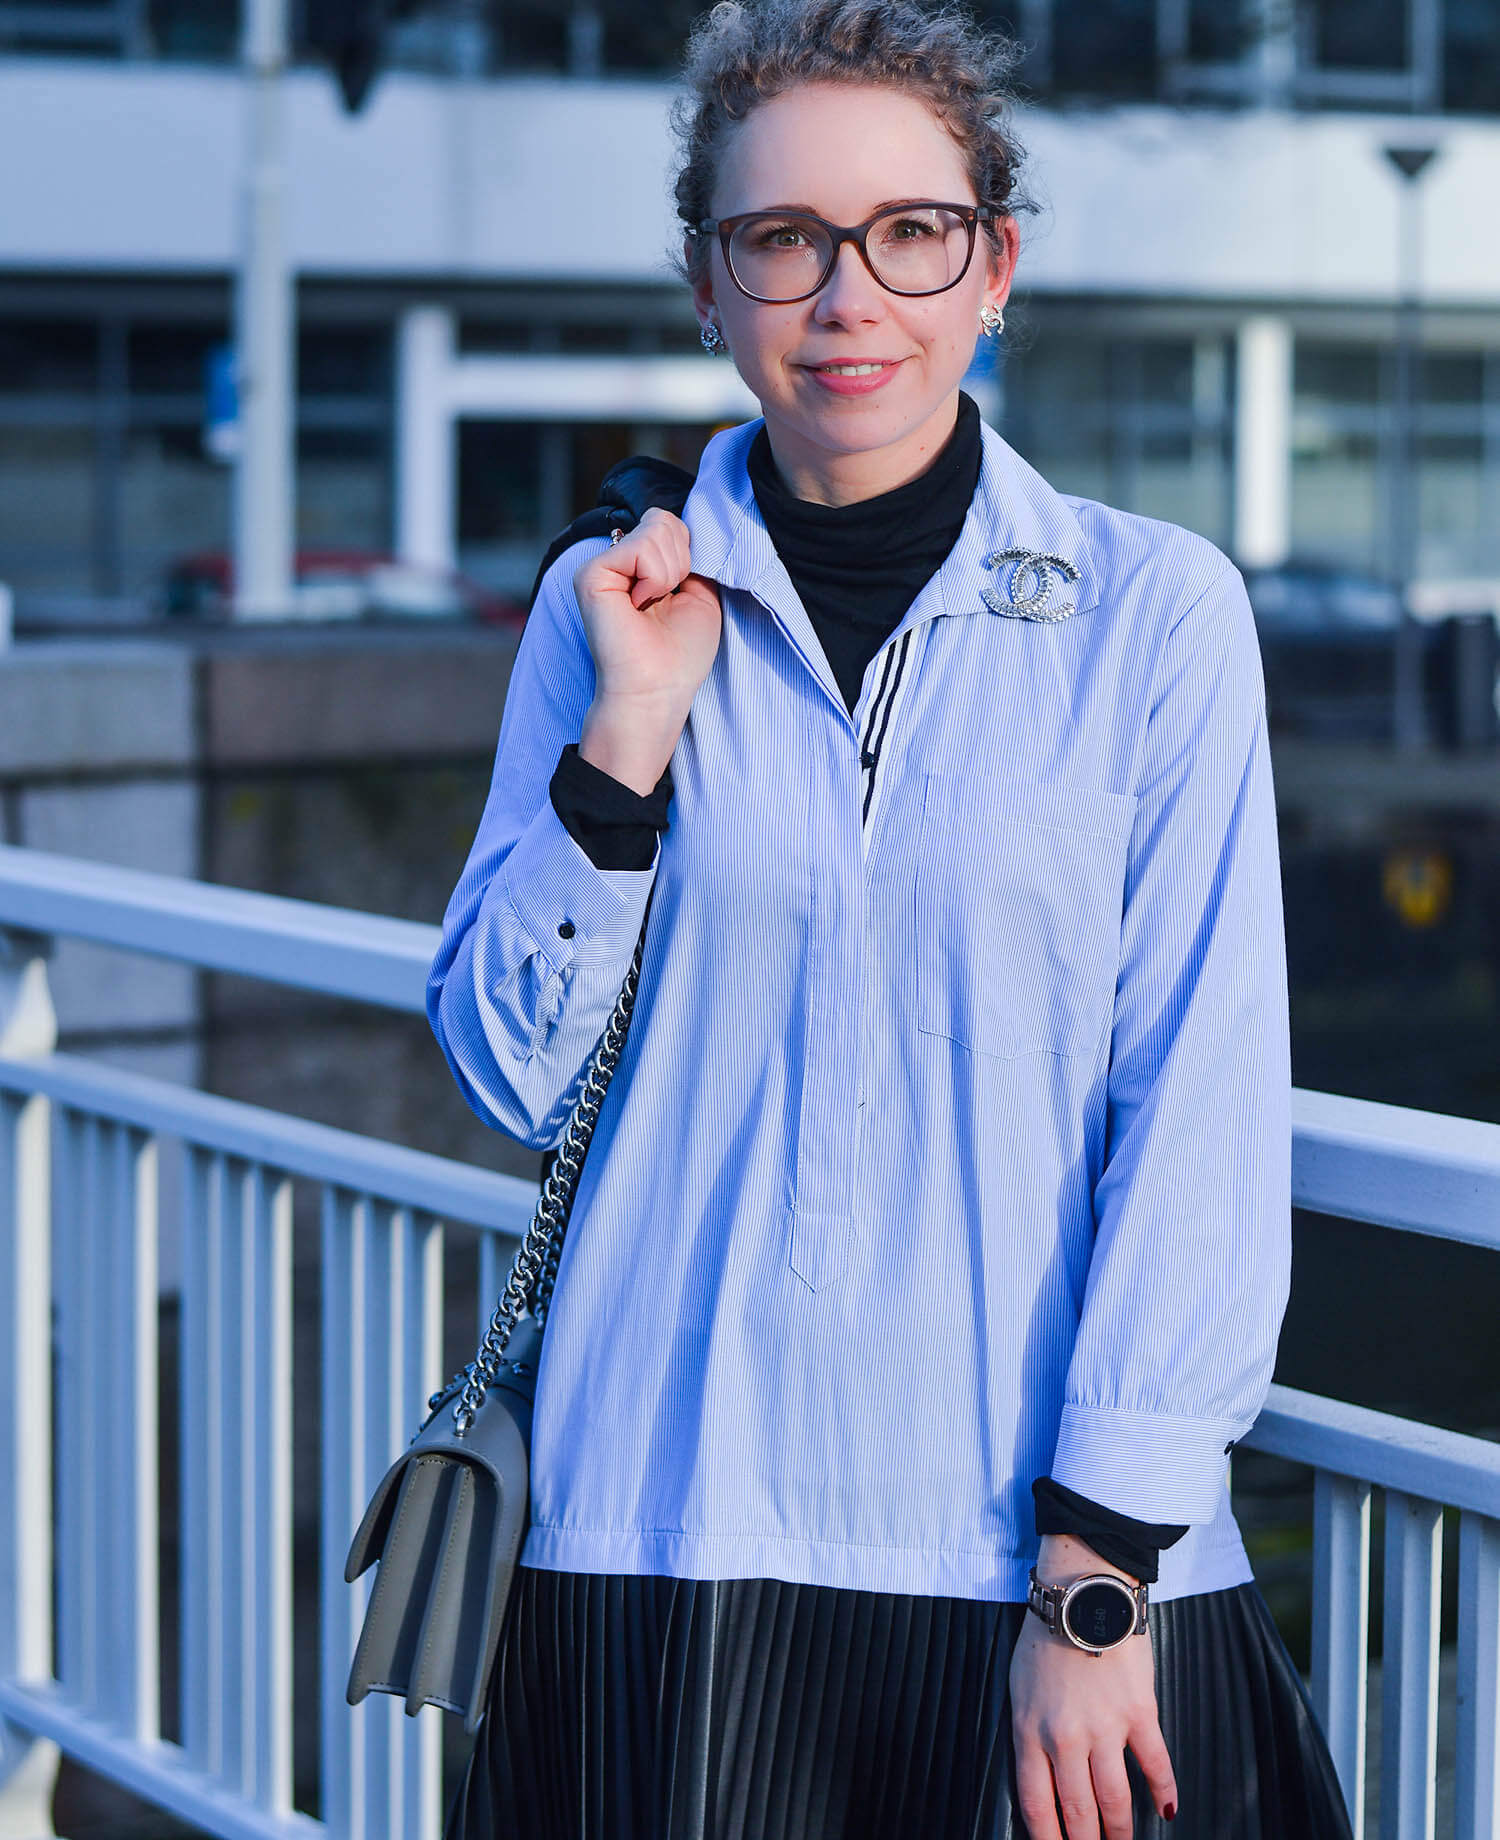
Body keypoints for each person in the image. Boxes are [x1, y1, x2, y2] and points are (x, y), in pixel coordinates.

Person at [427, 3, 1352, 1835]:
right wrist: (626, 742)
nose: (848, 295)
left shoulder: (1151, 619)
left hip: (1035, 1566)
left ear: (992, 266)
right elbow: (507, 1074)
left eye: (907, 232)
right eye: (782, 239)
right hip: (661, 1537)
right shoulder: (602, 610)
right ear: (711, 285)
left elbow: (1203, 1105)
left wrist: (1100, 1577)